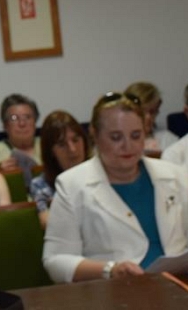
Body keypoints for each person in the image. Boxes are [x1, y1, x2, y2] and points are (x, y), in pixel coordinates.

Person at [42, 92, 188, 284]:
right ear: (95, 135)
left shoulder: (175, 174)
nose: (128, 146)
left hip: (177, 285)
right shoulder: (72, 185)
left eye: (136, 136)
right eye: (116, 137)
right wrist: (109, 270)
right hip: (114, 293)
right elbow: (55, 261)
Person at [29, 110, 89, 229]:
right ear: (51, 152)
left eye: (76, 140)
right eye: (62, 144)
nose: (72, 149)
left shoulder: (103, 171)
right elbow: (49, 224)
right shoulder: (40, 185)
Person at [0, 93, 42, 188]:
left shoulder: (48, 144)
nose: (22, 123)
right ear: (5, 125)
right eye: (14, 118)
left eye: (27, 117)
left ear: (35, 122)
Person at [124, 81, 178, 153]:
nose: (148, 117)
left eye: (152, 112)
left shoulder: (167, 140)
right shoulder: (115, 141)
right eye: (142, 111)